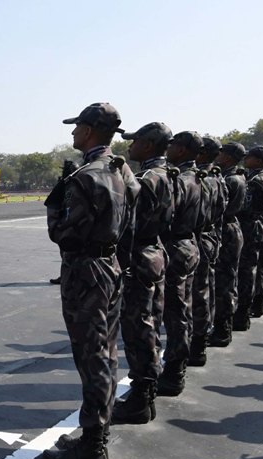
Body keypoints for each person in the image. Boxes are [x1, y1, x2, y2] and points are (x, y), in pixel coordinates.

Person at [43, 103, 127, 459]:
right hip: (110, 266)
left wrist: (56, 200)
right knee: (105, 352)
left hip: (86, 272)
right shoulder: (123, 170)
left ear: (90, 131)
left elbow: (61, 233)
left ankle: (93, 446)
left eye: (77, 127)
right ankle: (95, 434)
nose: (73, 133)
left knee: (91, 358)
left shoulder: (85, 177)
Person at [111, 122, 174, 425]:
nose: (130, 145)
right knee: (150, 324)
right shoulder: (167, 174)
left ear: (148, 145)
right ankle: (145, 394)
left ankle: (141, 397)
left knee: (138, 329)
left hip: (138, 256)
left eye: (135, 141)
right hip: (155, 252)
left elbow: (129, 226)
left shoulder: (146, 179)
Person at [156, 131, 204, 397]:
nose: (169, 148)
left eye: (173, 145)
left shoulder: (180, 180)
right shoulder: (200, 178)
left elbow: (165, 217)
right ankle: (178, 366)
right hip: (190, 243)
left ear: (183, 150)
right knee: (183, 308)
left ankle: (174, 372)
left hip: (175, 245)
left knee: (175, 313)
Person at [188, 137, 226, 366]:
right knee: (204, 290)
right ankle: (200, 341)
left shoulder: (199, 179)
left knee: (196, 294)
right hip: (209, 236)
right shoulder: (217, 177)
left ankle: (196, 345)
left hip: (197, 237)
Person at [209, 142, 247, 347]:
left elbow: (219, 209)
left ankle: (223, 330)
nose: (219, 155)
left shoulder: (229, 179)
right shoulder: (236, 177)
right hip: (231, 226)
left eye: (223, 152)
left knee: (224, 281)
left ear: (230, 157)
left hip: (226, 228)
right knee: (227, 279)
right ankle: (223, 327)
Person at [231, 146, 263, 332]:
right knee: (257, 268)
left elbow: (246, 207)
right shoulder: (259, 177)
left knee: (246, 272)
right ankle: (256, 304)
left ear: (260, 161)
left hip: (250, 227)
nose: (246, 159)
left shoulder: (255, 181)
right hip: (258, 226)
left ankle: (242, 314)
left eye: (251, 157)